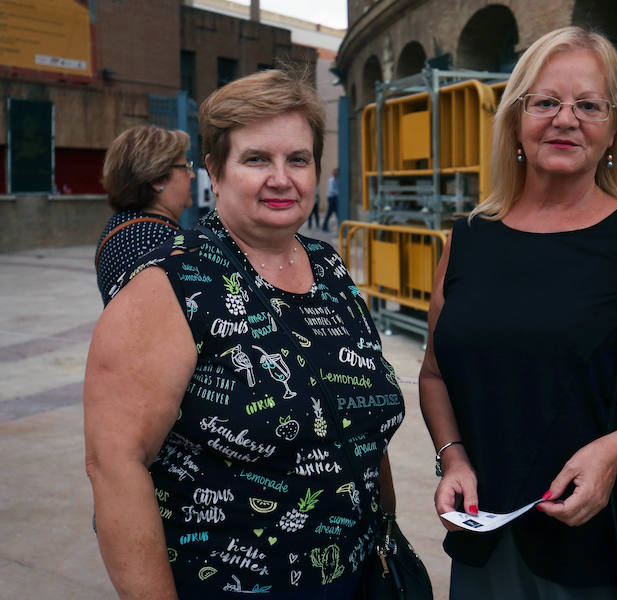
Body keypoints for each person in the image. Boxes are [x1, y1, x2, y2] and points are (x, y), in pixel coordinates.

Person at [418, 26, 617, 599]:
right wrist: (454, 458)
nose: (565, 119)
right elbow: (435, 373)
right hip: (489, 541)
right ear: (516, 121)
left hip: (610, 550)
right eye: (545, 101)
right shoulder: (466, 240)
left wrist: (612, 454)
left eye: (589, 105)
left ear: (615, 127)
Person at [84, 68, 404, 598]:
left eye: (297, 159)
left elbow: (357, 424)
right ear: (215, 169)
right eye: (257, 159)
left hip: (358, 575)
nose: (282, 178)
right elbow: (114, 463)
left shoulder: (329, 267)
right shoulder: (170, 283)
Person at [94, 125, 193, 305]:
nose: (192, 175)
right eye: (186, 166)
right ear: (158, 179)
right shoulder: (163, 243)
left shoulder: (118, 228)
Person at [322, 168, 338, 232]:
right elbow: (332, 190)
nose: (336, 174)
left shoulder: (337, 180)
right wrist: (339, 193)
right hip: (332, 198)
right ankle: (324, 227)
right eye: (335, 173)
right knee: (330, 212)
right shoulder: (331, 180)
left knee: (337, 213)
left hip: (334, 198)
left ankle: (340, 227)